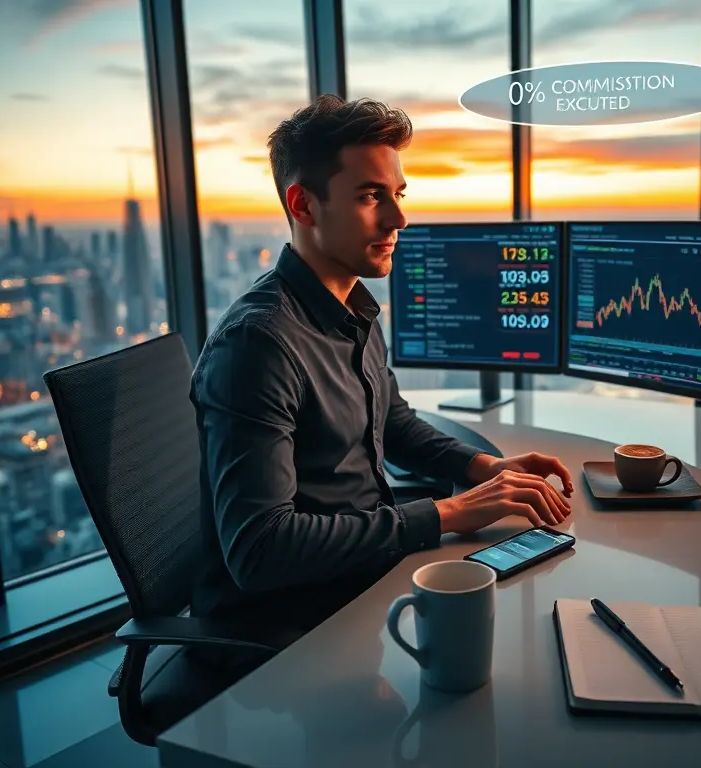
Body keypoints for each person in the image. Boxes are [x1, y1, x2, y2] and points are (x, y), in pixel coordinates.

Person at [189, 94, 574, 640]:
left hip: (363, 575)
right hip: (293, 627)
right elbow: (260, 550)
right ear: (303, 205)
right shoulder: (258, 344)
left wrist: (482, 469)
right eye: (371, 196)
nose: (399, 217)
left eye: (398, 193)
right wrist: (448, 514)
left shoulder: (353, 307)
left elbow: (390, 421)